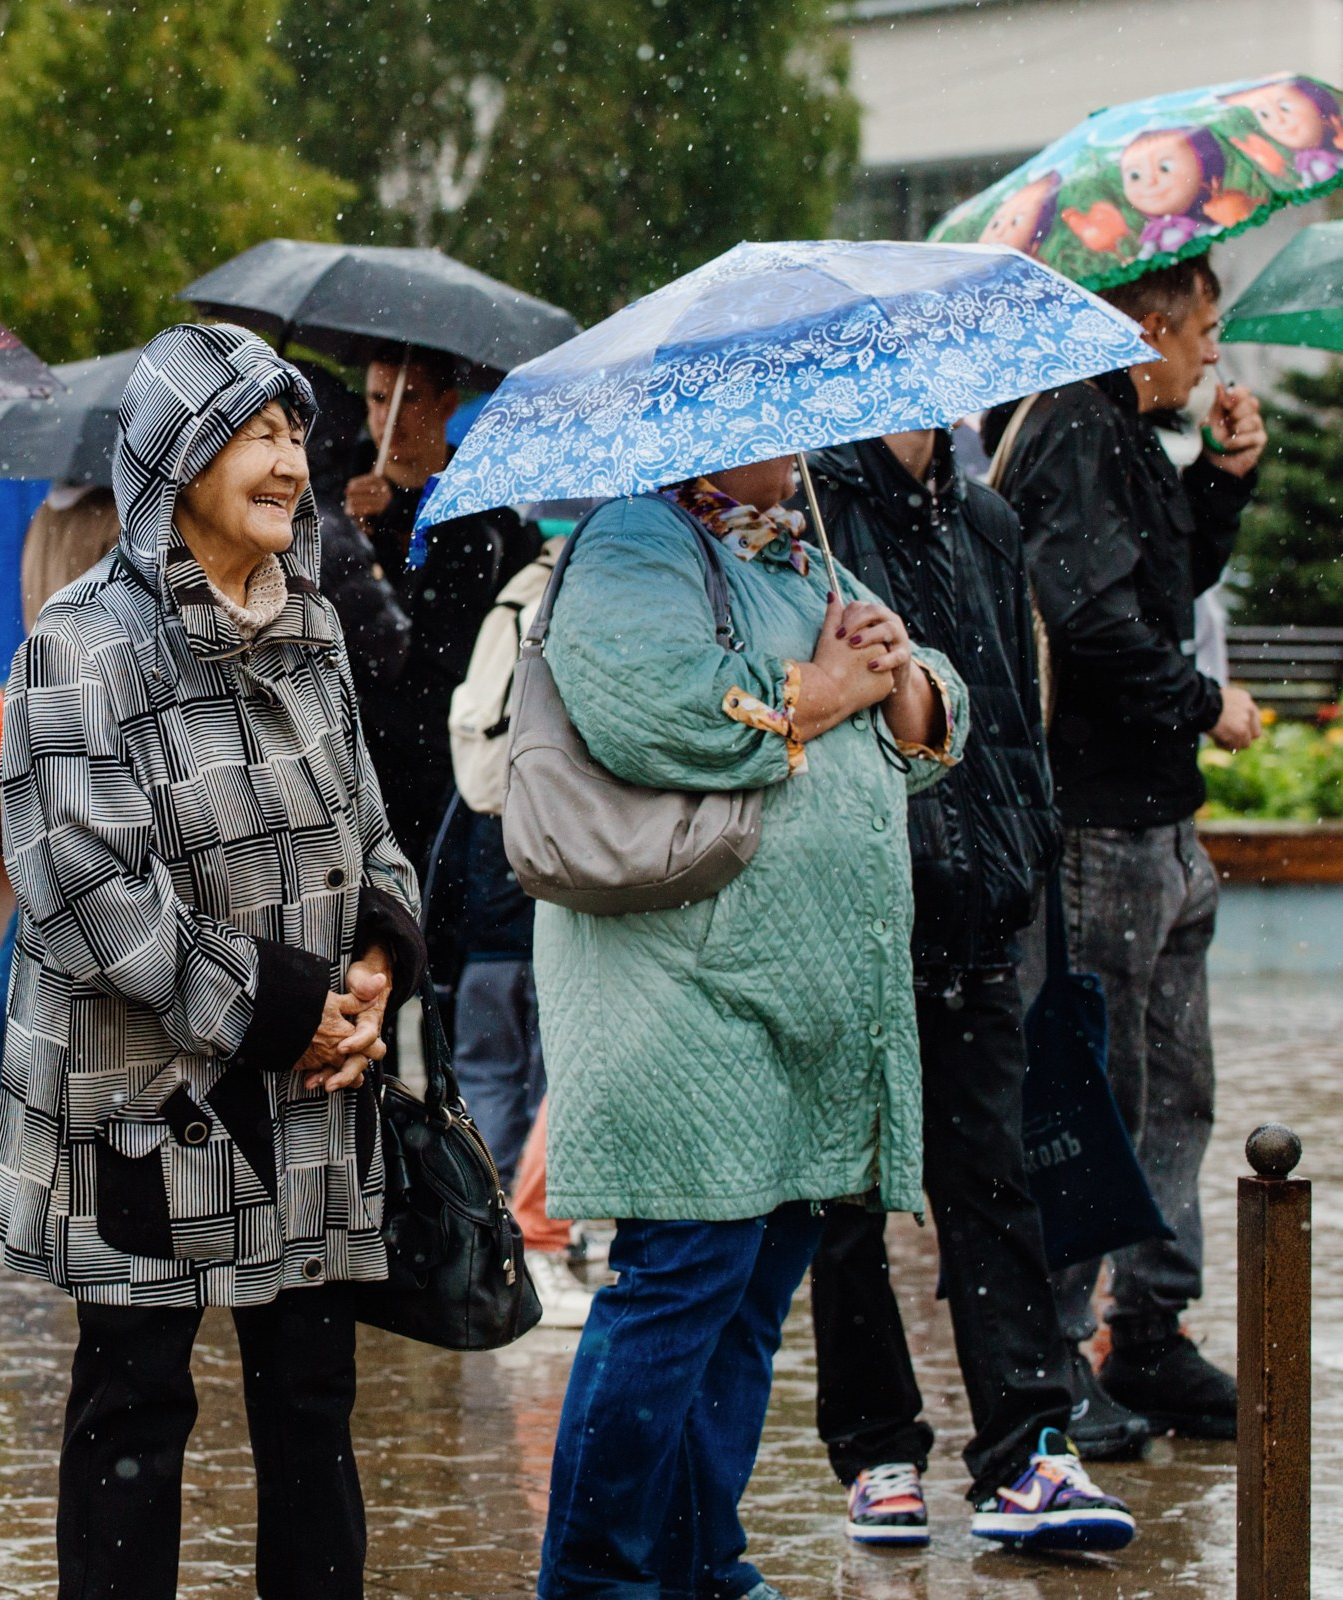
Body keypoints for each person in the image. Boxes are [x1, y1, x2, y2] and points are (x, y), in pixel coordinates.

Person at [0, 323, 424, 1600]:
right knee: (133, 1409)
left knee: (312, 1407)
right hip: (147, 1106)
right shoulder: (82, 645)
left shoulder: (317, 630)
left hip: (311, 1098)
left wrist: (376, 969)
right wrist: (287, 1006)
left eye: (297, 432)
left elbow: (378, 830)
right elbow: (83, 894)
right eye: (258, 432)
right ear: (179, 456)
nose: (291, 462)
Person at [530, 458, 966, 1600]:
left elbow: (914, 715)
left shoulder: (789, 547)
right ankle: (594, 1579)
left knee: (749, 1291)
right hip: (684, 985)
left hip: (788, 1001)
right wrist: (823, 691)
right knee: (680, 1281)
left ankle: (698, 1560)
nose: (804, 445)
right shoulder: (634, 540)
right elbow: (652, 707)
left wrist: (902, 676)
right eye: (776, 416)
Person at [804, 429, 1141, 1553]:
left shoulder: (987, 518)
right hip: (859, 905)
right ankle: (877, 1447)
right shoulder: (814, 511)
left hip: (982, 903)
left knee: (993, 1179)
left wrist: (1023, 841)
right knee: (851, 1196)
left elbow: (1010, 703)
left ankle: (1027, 1443)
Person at [989, 253, 1265, 1441]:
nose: (1213, 353)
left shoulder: (1127, 432)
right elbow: (1092, 619)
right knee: (1094, 1089)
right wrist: (1206, 702)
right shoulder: (1072, 425)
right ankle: (1056, 1354)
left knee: (1174, 1086)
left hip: (1159, 815)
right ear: (1148, 325)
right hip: (1097, 820)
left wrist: (1227, 477)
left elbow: (1161, 578)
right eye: (1203, 329)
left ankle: (1148, 1325)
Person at [440, 541, 591, 1329]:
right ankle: (537, 1240)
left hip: (487, 866)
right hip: (547, 869)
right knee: (549, 1078)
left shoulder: (513, 596)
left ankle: (480, 1236)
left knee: (489, 1074)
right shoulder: (581, 602)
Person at [0, 484, 125, 1157]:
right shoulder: (110, 520)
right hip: (87, 715)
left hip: (41, 707)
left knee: (33, 917)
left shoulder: (48, 516)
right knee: (45, 921)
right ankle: (5, 1108)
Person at [342, 348, 538, 871]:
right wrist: (349, 536)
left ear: (447, 404)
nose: (389, 417)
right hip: (359, 741)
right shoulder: (337, 491)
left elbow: (481, 602)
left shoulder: (483, 505)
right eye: (378, 398)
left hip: (446, 743)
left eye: (409, 398)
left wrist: (400, 517)